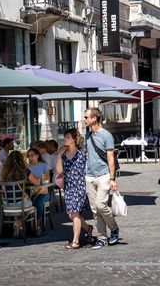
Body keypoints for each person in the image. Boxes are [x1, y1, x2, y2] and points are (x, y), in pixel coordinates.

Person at [83, 107, 120, 249]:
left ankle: (114, 228)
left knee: (100, 204)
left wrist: (112, 178)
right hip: (90, 176)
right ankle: (102, 237)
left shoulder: (106, 135)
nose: (84, 119)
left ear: (94, 118)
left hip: (103, 175)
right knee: (94, 210)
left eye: (86, 117)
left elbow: (110, 158)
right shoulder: (87, 136)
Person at [56, 129, 93, 249]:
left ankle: (75, 241)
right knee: (71, 215)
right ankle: (88, 228)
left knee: (75, 213)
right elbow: (60, 171)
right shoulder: (64, 154)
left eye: (68, 137)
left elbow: (89, 167)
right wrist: (58, 156)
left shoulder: (82, 153)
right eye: (65, 137)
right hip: (68, 187)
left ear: (74, 139)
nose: (65, 139)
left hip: (80, 186)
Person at [0, 150, 36, 237]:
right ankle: (19, 223)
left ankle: (16, 222)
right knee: (31, 205)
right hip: (21, 203)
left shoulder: (3, 172)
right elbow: (37, 182)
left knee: (17, 205)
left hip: (6, 204)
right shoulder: (24, 170)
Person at [25, 148, 51, 234]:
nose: (30, 157)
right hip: (31, 192)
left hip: (43, 192)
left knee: (38, 202)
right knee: (27, 202)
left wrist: (43, 178)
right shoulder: (27, 167)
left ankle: (38, 223)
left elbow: (47, 179)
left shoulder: (44, 165)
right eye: (28, 156)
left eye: (32, 155)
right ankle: (27, 224)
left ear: (37, 155)